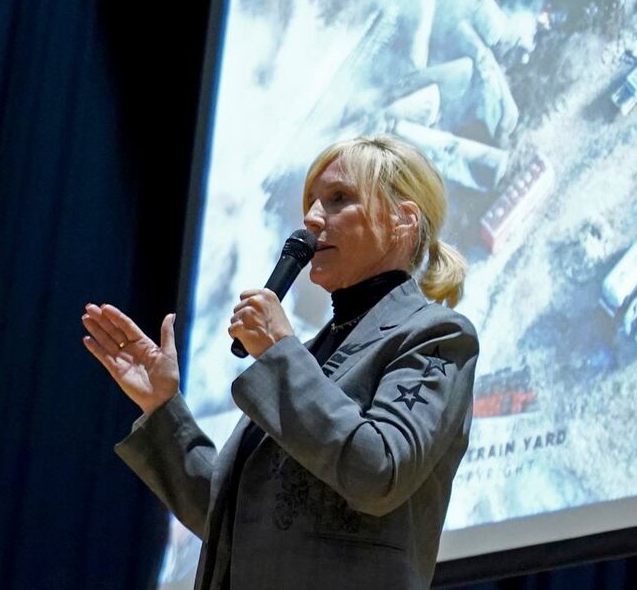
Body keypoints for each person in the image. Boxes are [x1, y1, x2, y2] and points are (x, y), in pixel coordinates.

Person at [81, 135, 479, 589]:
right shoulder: (308, 356)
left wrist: (279, 351)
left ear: (402, 221)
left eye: (338, 200)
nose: (310, 220)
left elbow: (377, 471)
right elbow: (234, 518)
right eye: (310, 202)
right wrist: (163, 407)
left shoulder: (435, 336)